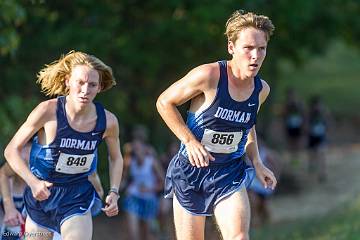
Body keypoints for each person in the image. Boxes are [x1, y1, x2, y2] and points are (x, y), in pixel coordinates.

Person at [156, 10, 277, 240]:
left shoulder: (261, 90)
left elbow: (246, 126)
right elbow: (164, 102)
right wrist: (189, 141)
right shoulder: (209, 75)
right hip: (191, 173)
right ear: (231, 47)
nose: (255, 56)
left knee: (240, 237)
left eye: (261, 49)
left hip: (228, 172)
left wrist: (257, 163)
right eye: (248, 48)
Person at [3, 51, 124, 240]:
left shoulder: (108, 121)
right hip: (41, 197)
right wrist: (33, 183)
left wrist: (114, 191)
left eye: (92, 85)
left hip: (76, 196)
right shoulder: (47, 111)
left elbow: (115, 157)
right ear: (68, 81)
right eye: (80, 83)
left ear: (100, 87)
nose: (85, 90)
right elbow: (11, 150)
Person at [122, 139, 164, 240]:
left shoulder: (152, 162)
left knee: (146, 235)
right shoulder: (129, 161)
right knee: (133, 233)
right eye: (135, 148)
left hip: (149, 200)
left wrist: (149, 189)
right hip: (133, 197)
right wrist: (119, 189)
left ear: (145, 149)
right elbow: (124, 179)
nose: (137, 151)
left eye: (139, 148)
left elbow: (163, 183)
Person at [306, 95, 329, 182]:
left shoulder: (324, 112)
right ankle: (312, 167)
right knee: (312, 155)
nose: (317, 107)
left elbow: (328, 122)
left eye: (319, 105)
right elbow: (306, 124)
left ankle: (323, 173)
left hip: (321, 137)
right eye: (316, 105)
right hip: (312, 137)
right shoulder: (310, 113)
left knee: (322, 154)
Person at [283, 88, 305, 163]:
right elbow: (284, 116)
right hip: (290, 126)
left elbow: (303, 114)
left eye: (292, 95)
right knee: (290, 144)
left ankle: (296, 160)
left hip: (297, 126)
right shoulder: (286, 104)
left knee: (297, 144)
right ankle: (292, 160)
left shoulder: (298, 103)